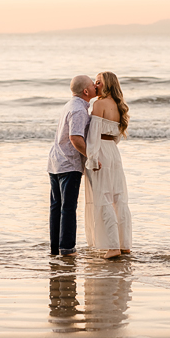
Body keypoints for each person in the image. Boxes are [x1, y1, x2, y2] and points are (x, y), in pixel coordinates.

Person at [84, 71, 133, 259]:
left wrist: (92, 158)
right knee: (118, 198)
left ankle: (112, 247)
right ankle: (124, 244)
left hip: (101, 151)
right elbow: (117, 137)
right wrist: (109, 149)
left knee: (103, 197)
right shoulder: (119, 106)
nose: (95, 85)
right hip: (113, 151)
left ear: (107, 84)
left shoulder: (99, 104)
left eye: (98, 82)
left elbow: (93, 135)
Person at [48, 75, 97, 257]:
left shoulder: (70, 105)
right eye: (92, 84)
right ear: (86, 91)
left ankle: (56, 248)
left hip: (56, 162)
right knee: (68, 208)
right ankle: (67, 249)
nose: (95, 86)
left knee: (57, 207)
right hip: (69, 163)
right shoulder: (78, 110)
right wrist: (91, 157)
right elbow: (75, 138)